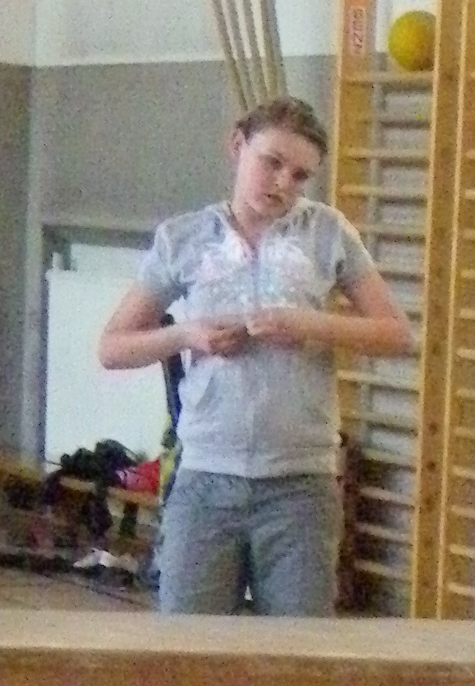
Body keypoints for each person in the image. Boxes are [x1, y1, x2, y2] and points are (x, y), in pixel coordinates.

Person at [98, 94, 410, 615]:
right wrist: (188, 335)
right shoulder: (184, 238)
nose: (283, 183)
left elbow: (396, 335)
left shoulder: (327, 233)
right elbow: (112, 348)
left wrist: (306, 325)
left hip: (300, 485)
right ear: (238, 145)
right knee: (191, 649)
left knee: (296, 652)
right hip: (205, 477)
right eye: (272, 162)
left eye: (300, 175)